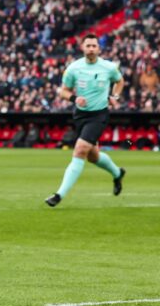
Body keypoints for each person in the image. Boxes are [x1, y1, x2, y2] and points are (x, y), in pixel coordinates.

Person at [45, 34, 126, 207]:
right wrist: (75, 99)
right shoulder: (74, 68)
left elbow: (120, 81)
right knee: (93, 156)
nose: (91, 49)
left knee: (80, 149)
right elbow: (63, 91)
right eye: (88, 45)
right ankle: (118, 173)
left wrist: (115, 96)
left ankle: (59, 195)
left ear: (98, 48)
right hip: (80, 115)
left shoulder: (108, 67)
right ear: (82, 48)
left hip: (99, 115)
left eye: (94, 46)